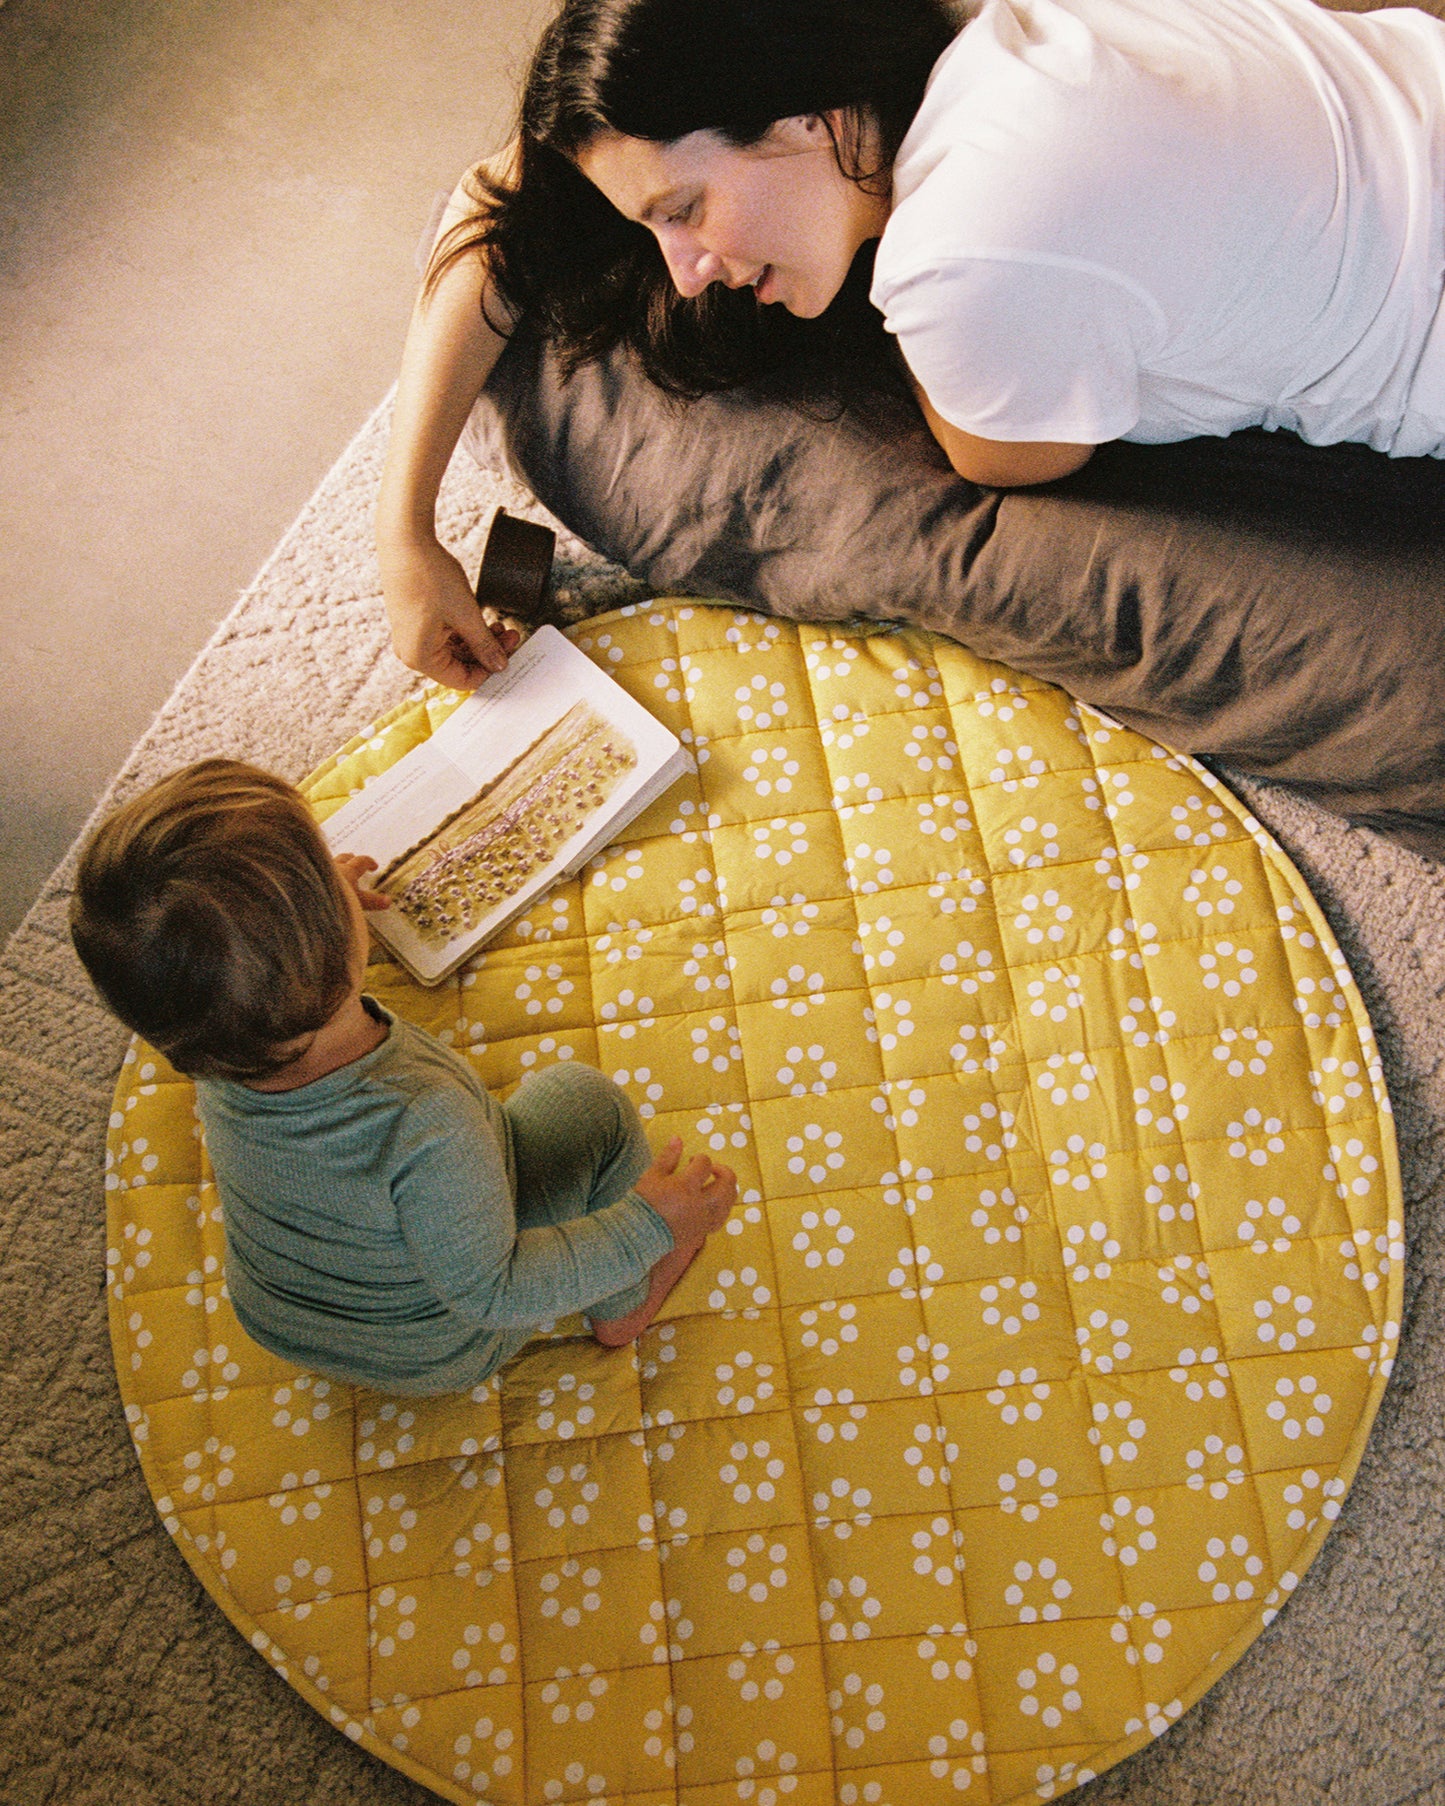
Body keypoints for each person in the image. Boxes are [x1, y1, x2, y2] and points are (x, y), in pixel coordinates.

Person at [378, 0, 1445, 693]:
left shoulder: (958, 256)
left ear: (799, 115)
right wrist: (405, 532)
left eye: (684, 209)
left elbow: (1003, 460)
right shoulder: (968, 32)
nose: (686, 269)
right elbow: (497, 193)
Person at [70, 759, 737, 1396]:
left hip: (287, 1319)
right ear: (332, 946)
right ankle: (623, 1306)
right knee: (587, 1104)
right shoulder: (424, 1119)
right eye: (326, 883)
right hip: (440, 1341)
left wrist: (317, 921)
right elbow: (493, 1289)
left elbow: (248, 968)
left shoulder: (212, 1034)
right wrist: (647, 1225)